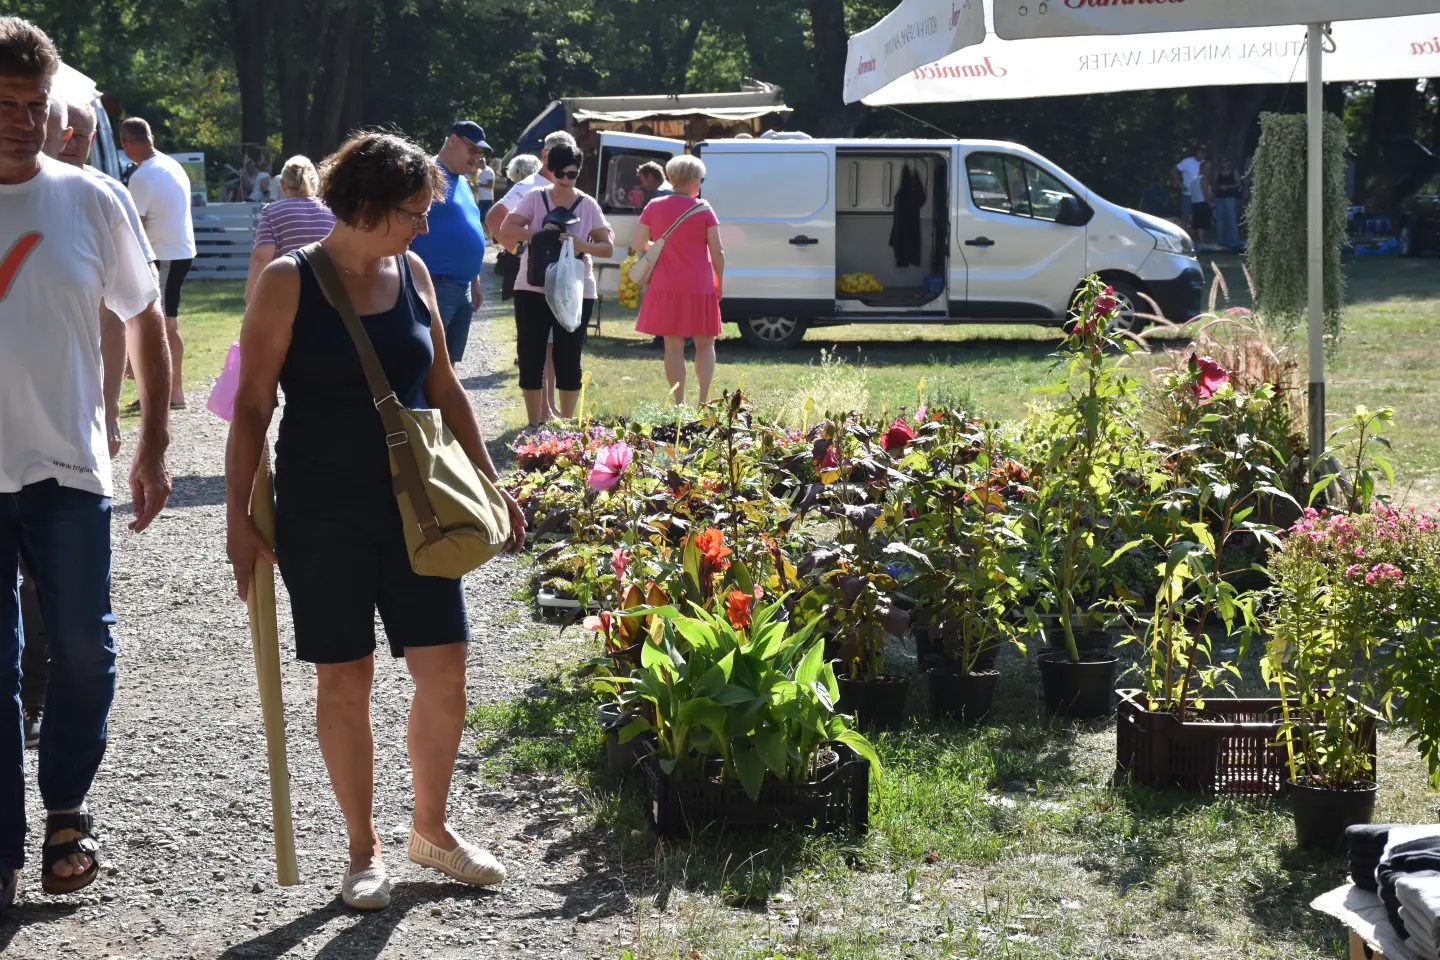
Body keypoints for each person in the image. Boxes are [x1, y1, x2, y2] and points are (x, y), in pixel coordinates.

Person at [225, 130, 526, 911]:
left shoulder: (417, 271)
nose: (426, 226)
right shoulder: (289, 284)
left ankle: (432, 829)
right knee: (344, 678)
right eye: (413, 212)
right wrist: (237, 519)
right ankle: (363, 851)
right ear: (362, 208)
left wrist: (493, 484)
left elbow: (447, 388)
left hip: (418, 509)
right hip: (322, 512)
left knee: (446, 673)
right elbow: (252, 406)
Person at [1, 16, 172, 912]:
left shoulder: (92, 198)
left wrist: (151, 440)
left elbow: (142, 314)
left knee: (83, 653)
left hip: (70, 466)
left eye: (35, 103)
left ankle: (66, 808)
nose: (25, 120)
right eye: (6, 104)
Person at [499, 143, 614, 426]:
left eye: (572, 174)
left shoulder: (587, 204)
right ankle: (533, 422)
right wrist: (539, 234)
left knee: (569, 354)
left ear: (579, 173)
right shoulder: (534, 197)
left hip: (574, 289)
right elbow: (506, 229)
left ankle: (566, 422)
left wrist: (580, 243)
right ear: (550, 171)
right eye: (560, 172)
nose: (565, 179)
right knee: (530, 353)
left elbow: (607, 247)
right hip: (532, 285)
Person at [486, 133, 579, 420]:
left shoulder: (558, 186)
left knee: (552, 344)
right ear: (546, 155)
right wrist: (521, 249)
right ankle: (542, 410)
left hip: (555, 274)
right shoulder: (530, 186)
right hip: (535, 274)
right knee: (539, 344)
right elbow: (494, 218)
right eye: (557, 155)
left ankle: (548, 407)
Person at [631, 156, 724, 407]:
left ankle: (679, 404)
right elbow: (718, 252)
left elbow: (638, 244)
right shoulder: (704, 208)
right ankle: (703, 402)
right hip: (699, 285)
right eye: (701, 180)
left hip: (665, 284)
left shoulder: (654, 205)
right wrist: (720, 282)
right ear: (693, 181)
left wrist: (660, 245)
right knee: (705, 344)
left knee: (673, 347)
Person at [121, 116, 196, 409]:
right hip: (180, 250)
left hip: (164, 253)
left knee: (164, 323)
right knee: (161, 321)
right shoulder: (171, 164)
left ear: (126, 144)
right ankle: (164, 391)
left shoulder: (141, 177)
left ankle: (171, 393)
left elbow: (134, 225)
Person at [409, 121, 490, 366]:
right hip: (435, 282)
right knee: (429, 361)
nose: (477, 158)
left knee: (449, 364)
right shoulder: (426, 175)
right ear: (453, 140)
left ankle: (443, 406)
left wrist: (475, 281)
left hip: (462, 286)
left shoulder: (463, 182)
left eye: (481, 153)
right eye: (473, 149)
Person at [245, 155, 336, 303]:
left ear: (282, 185)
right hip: (329, 293)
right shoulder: (333, 210)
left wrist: (251, 299)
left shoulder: (272, 211)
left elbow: (261, 257)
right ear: (316, 183)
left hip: (287, 293)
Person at [1173, 145, 1207, 234]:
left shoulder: (1205, 163)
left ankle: (1198, 238)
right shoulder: (1187, 161)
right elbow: (1173, 171)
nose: (1202, 154)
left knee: (1198, 217)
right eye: (1201, 152)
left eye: (1204, 152)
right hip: (1188, 193)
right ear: (1196, 152)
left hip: (1200, 195)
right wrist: (1180, 184)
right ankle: (1185, 235)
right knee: (1186, 216)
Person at [1212, 155, 1243, 251]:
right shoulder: (1218, 172)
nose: (1224, 164)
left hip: (1230, 197)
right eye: (1223, 162)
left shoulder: (1234, 171)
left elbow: (1238, 184)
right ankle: (1220, 239)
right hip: (1219, 197)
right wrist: (1219, 187)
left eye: (1226, 161)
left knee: (1231, 217)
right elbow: (1213, 183)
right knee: (1220, 218)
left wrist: (1228, 187)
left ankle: (1233, 239)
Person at [475, 159, 496, 232]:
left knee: (485, 218)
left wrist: (480, 184)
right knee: (481, 218)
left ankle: (490, 235)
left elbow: (490, 185)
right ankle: (486, 235)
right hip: (481, 198)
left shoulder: (488, 171)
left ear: (481, 162)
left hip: (487, 198)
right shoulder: (479, 171)